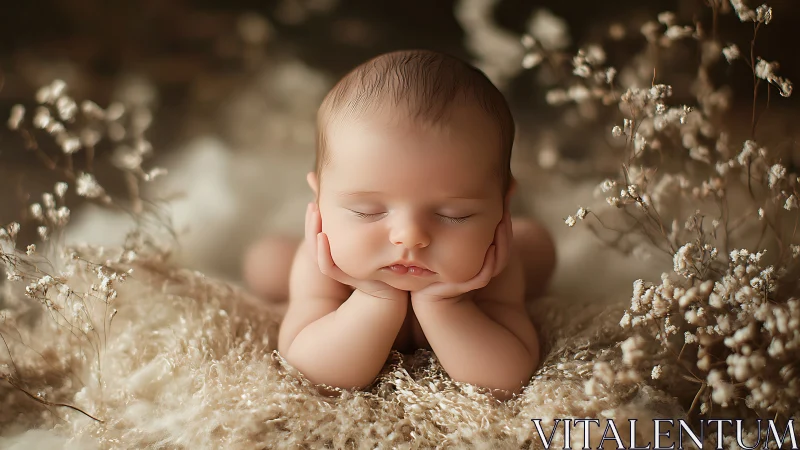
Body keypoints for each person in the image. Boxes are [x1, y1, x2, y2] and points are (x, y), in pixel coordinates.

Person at [242, 49, 556, 400]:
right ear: (319, 201)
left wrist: (446, 305)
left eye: (454, 214)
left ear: (502, 207)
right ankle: (274, 263)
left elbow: (503, 380)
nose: (410, 236)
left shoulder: (494, 265)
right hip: (310, 274)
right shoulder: (320, 266)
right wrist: (373, 297)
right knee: (268, 264)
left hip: (501, 258)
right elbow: (313, 372)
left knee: (537, 247)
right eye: (367, 210)